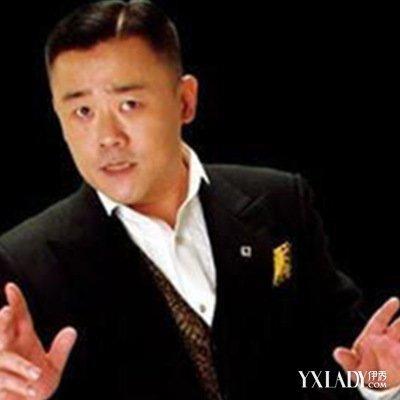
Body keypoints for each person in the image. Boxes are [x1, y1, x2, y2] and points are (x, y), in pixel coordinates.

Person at [0, 1, 399, 399]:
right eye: (82, 111)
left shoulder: (280, 204)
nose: (108, 137)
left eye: (129, 104)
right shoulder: (24, 262)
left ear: (185, 100)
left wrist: (380, 383)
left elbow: (334, 367)